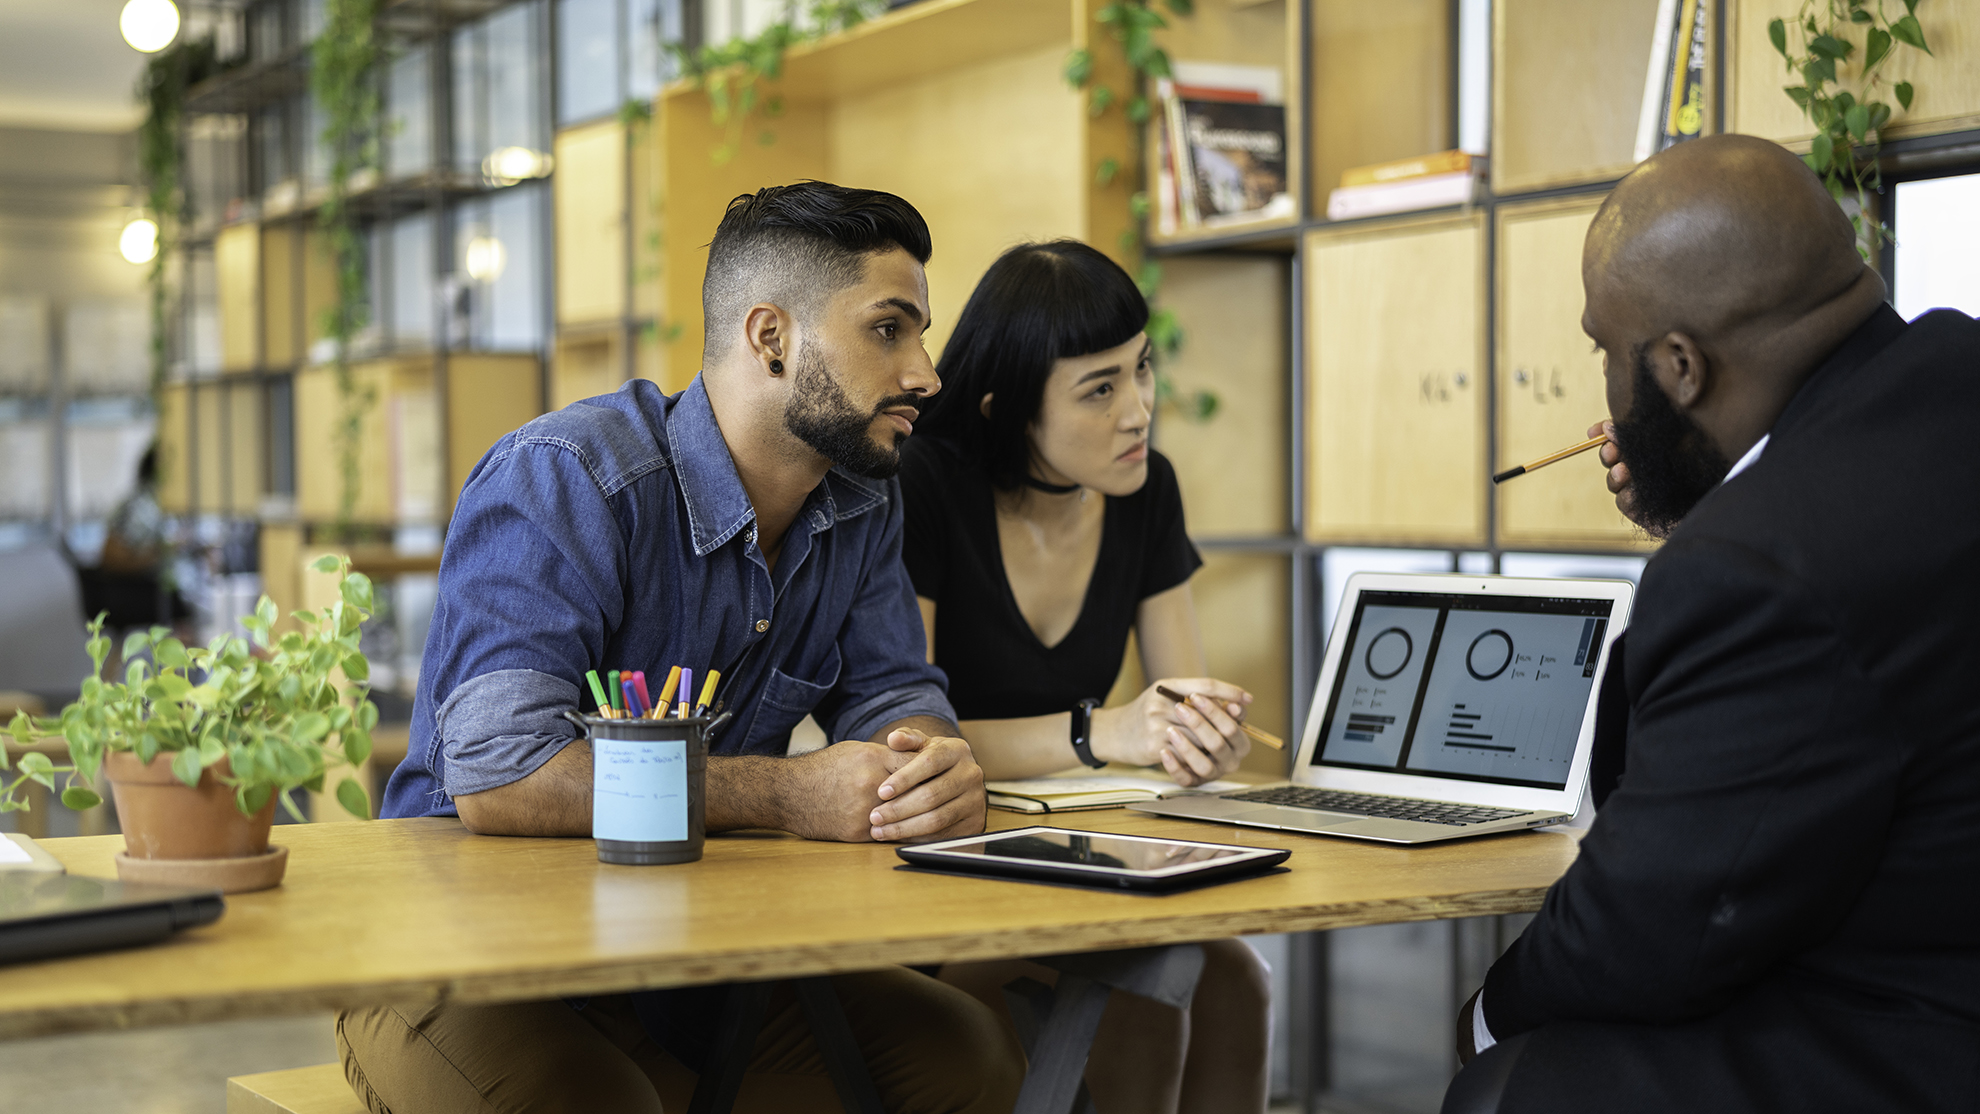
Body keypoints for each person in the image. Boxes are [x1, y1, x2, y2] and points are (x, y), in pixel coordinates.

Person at [340, 183, 1021, 1114]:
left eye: (921, 334)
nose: (925, 373)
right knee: (605, 1105)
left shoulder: (864, 499)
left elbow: (893, 690)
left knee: (968, 1057)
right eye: (889, 330)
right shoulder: (567, 477)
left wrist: (925, 765)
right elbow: (502, 773)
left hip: (685, 950)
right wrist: (789, 793)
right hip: (455, 953)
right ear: (770, 337)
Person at [1443, 134, 1980, 1114]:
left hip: (1921, 1031)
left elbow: (1653, 916)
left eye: (1605, 350)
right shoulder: (1948, 374)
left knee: (1508, 1086)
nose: (1606, 385)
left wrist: (1481, 1017)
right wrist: (1718, 509)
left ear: (1680, 367)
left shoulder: (1756, 560)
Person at [899, 240, 1271, 1114]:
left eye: (1142, 370)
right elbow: (911, 745)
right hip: (942, 857)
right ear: (1005, 408)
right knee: (1149, 985)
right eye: (1099, 389)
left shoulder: (1147, 489)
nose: (1140, 410)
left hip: (1086, 850)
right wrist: (1102, 732)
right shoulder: (925, 487)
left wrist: (1200, 738)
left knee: (1239, 981)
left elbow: (1182, 696)